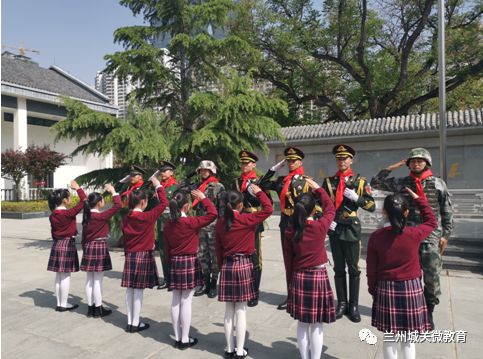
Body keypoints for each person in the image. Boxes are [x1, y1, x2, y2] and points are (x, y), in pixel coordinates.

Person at [370, 147, 454, 329]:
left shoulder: (438, 184)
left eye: (420, 161)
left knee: (431, 276)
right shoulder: (402, 182)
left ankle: (429, 311)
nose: (416, 164)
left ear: (427, 163)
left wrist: (446, 235)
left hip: (431, 236)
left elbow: (447, 210)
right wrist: (394, 166)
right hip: (407, 237)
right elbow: (376, 182)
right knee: (410, 276)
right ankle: (414, 307)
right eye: (413, 161)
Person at [367, 187, 437, 359]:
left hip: (385, 287)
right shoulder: (414, 234)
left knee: (390, 336)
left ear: (384, 212)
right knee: (408, 338)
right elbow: (431, 221)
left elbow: (371, 269)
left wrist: (372, 289)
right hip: (411, 288)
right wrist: (420, 199)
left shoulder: (376, 237)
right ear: (406, 212)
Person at [216, 184, 273, 358]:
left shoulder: (220, 223)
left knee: (228, 311)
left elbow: (218, 249)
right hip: (243, 264)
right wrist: (259, 192)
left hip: (227, 265)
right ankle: (240, 351)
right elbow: (269, 209)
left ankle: (229, 349)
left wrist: (221, 267)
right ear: (240, 205)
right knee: (240, 310)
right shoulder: (247, 219)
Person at [322, 144, 375, 322]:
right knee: (338, 268)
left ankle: (354, 305)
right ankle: (342, 303)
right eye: (339, 158)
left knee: (353, 268)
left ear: (351, 160)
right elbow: (319, 204)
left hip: (351, 228)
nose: (342, 161)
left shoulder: (360, 182)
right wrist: (324, 220)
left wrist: (357, 198)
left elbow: (371, 206)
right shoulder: (329, 182)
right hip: (335, 228)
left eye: (345, 158)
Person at [259, 147, 316, 310]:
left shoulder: (307, 181)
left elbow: (316, 203)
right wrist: (274, 169)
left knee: (303, 260)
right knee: (288, 261)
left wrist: (311, 222)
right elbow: (263, 183)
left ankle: (305, 295)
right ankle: (291, 296)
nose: (291, 163)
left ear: (300, 161)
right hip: (285, 222)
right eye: (288, 161)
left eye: (293, 160)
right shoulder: (282, 180)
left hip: (300, 223)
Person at [284, 178, 336, 359]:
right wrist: (319, 190)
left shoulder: (290, 231)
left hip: (299, 276)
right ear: (314, 210)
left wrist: (290, 282)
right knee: (316, 324)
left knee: (302, 323)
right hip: (317, 276)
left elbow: (288, 261)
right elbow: (331, 208)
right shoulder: (320, 226)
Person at [164, 189, 217, 350]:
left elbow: (166, 248)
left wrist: (169, 264)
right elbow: (212, 214)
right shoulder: (190, 222)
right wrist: (204, 199)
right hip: (188, 261)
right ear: (186, 206)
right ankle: (185, 339)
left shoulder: (168, 224)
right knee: (186, 301)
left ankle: (178, 336)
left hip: (174, 261)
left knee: (175, 300)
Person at [121, 176, 168, 333]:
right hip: (143, 256)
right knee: (138, 291)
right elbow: (164, 203)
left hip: (130, 256)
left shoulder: (126, 218)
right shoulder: (147, 217)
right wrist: (158, 186)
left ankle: (129, 321)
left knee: (130, 290)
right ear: (142, 202)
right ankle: (135, 322)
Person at [80, 183, 122, 318]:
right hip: (99, 247)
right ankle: (98, 308)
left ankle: (90, 308)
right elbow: (118, 205)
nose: (104, 201)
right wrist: (113, 191)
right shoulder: (101, 216)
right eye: (102, 200)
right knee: (98, 280)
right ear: (98, 203)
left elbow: (84, 238)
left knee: (89, 280)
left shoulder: (86, 217)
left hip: (88, 247)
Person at [47, 180, 87, 312]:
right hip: (67, 243)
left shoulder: (53, 215)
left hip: (57, 243)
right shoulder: (67, 213)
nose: (70, 198)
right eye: (69, 196)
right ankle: (63, 304)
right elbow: (83, 201)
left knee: (59, 275)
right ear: (64, 200)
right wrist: (78, 188)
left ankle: (60, 302)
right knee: (65, 276)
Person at [235, 150, 265, 307]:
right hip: (240, 221)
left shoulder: (257, 181)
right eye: (242, 163)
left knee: (255, 257)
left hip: (253, 220)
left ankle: (254, 292)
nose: (244, 165)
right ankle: (245, 287)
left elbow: (262, 201)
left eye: (247, 163)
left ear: (253, 164)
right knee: (242, 254)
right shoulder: (238, 180)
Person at [193, 160, 225, 298]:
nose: (203, 172)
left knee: (214, 256)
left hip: (214, 226)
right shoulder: (197, 186)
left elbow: (222, 209)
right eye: (201, 170)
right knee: (201, 255)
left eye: (206, 170)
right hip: (200, 225)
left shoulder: (219, 187)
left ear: (212, 171)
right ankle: (205, 282)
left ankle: (213, 283)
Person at [155, 160, 178, 290]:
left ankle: (175, 278)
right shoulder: (159, 187)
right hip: (161, 222)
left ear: (171, 172)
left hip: (172, 222)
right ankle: (167, 278)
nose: (162, 173)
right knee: (163, 251)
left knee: (173, 251)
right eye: (161, 171)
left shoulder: (175, 186)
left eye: (165, 171)